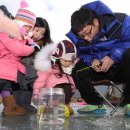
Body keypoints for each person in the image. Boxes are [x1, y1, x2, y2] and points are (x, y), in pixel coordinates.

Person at [66, 1, 130, 115]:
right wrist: (92, 60)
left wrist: (113, 57)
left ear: (95, 21)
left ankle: (129, 103)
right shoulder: (80, 38)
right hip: (101, 70)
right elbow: (82, 54)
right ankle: (94, 103)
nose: (87, 38)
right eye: (82, 36)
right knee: (78, 69)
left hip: (123, 67)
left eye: (88, 32)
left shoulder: (121, 21)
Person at [0, 0, 36, 116]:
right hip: (2, 68)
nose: (28, 30)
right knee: (4, 87)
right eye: (27, 26)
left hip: (6, 69)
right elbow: (17, 50)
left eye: (30, 28)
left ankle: (10, 107)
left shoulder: (18, 36)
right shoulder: (7, 32)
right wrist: (31, 48)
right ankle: (10, 107)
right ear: (20, 23)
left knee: (6, 89)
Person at [12, 17, 53, 114]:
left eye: (42, 33)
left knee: (39, 74)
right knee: (23, 77)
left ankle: (29, 103)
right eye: (37, 30)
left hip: (32, 73)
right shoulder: (21, 38)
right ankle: (18, 104)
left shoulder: (41, 45)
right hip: (18, 70)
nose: (39, 35)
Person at [33, 40, 77, 114]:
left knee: (67, 86)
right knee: (61, 85)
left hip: (64, 92)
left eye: (70, 61)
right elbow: (40, 81)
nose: (68, 63)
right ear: (58, 57)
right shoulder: (48, 66)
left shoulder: (68, 67)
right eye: (65, 60)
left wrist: (73, 88)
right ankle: (51, 104)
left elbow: (69, 79)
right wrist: (37, 95)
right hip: (50, 91)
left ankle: (65, 104)